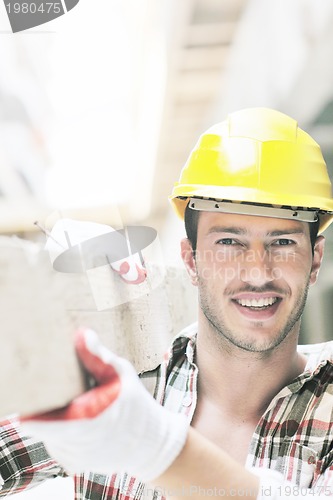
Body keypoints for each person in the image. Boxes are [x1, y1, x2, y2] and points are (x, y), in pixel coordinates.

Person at [1, 107, 333, 499]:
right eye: (229, 242)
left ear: (314, 258)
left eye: (283, 242)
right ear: (191, 260)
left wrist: (148, 444)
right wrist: (30, 312)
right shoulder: (128, 382)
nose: (258, 271)